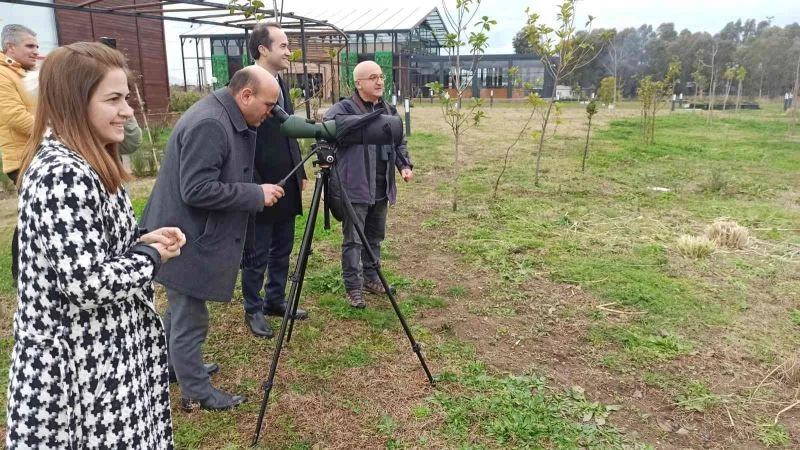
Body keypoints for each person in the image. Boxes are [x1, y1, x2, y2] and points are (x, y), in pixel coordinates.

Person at [6, 42, 185, 449]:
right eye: (114, 99)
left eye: (126, 97)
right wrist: (150, 256)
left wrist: (141, 241)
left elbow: (92, 248)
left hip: (105, 354)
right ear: (74, 102)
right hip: (79, 369)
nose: (128, 110)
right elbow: (87, 282)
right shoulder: (61, 173)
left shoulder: (89, 160)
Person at [140, 65, 284, 411]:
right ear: (245, 95)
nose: (271, 114)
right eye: (268, 105)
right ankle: (196, 393)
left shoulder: (222, 113)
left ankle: (175, 367)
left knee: (180, 312)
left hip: (182, 231)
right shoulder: (212, 124)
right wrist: (254, 195)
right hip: (181, 236)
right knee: (190, 317)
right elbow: (196, 189)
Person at [323, 61, 413, 308]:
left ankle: (372, 279)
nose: (379, 81)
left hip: (382, 186)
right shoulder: (342, 109)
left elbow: (399, 141)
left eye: (381, 76)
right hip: (355, 187)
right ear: (358, 83)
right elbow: (330, 129)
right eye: (372, 77)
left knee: (375, 236)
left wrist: (404, 165)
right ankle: (353, 286)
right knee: (354, 239)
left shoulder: (388, 109)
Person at [242, 22, 309, 339]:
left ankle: (274, 300)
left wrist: (301, 172)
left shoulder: (280, 82)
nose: (289, 51)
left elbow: (290, 133)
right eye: (283, 45)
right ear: (262, 50)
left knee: (283, 246)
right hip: (260, 184)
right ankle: (252, 309)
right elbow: (242, 142)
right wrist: (253, 187)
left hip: (287, 180)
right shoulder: (248, 85)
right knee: (257, 252)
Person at [0, 24, 38, 183]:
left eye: (37, 46)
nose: (36, 51)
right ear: (10, 47)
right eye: (30, 46)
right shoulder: (2, 74)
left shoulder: (28, 72)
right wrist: (56, 134)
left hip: (39, 153)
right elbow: (16, 116)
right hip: (24, 160)